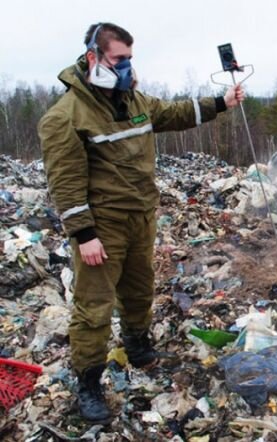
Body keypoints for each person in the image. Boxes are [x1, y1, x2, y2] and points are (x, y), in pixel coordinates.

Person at [37, 22, 244, 422]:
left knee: (139, 289)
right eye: (119, 60)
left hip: (140, 216)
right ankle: (89, 382)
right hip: (103, 225)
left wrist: (222, 102)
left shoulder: (134, 100)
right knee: (94, 307)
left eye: (130, 59)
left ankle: (137, 345)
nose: (127, 68)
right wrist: (84, 234)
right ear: (93, 58)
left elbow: (175, 113)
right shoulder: (66, 116)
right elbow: (65, 181)